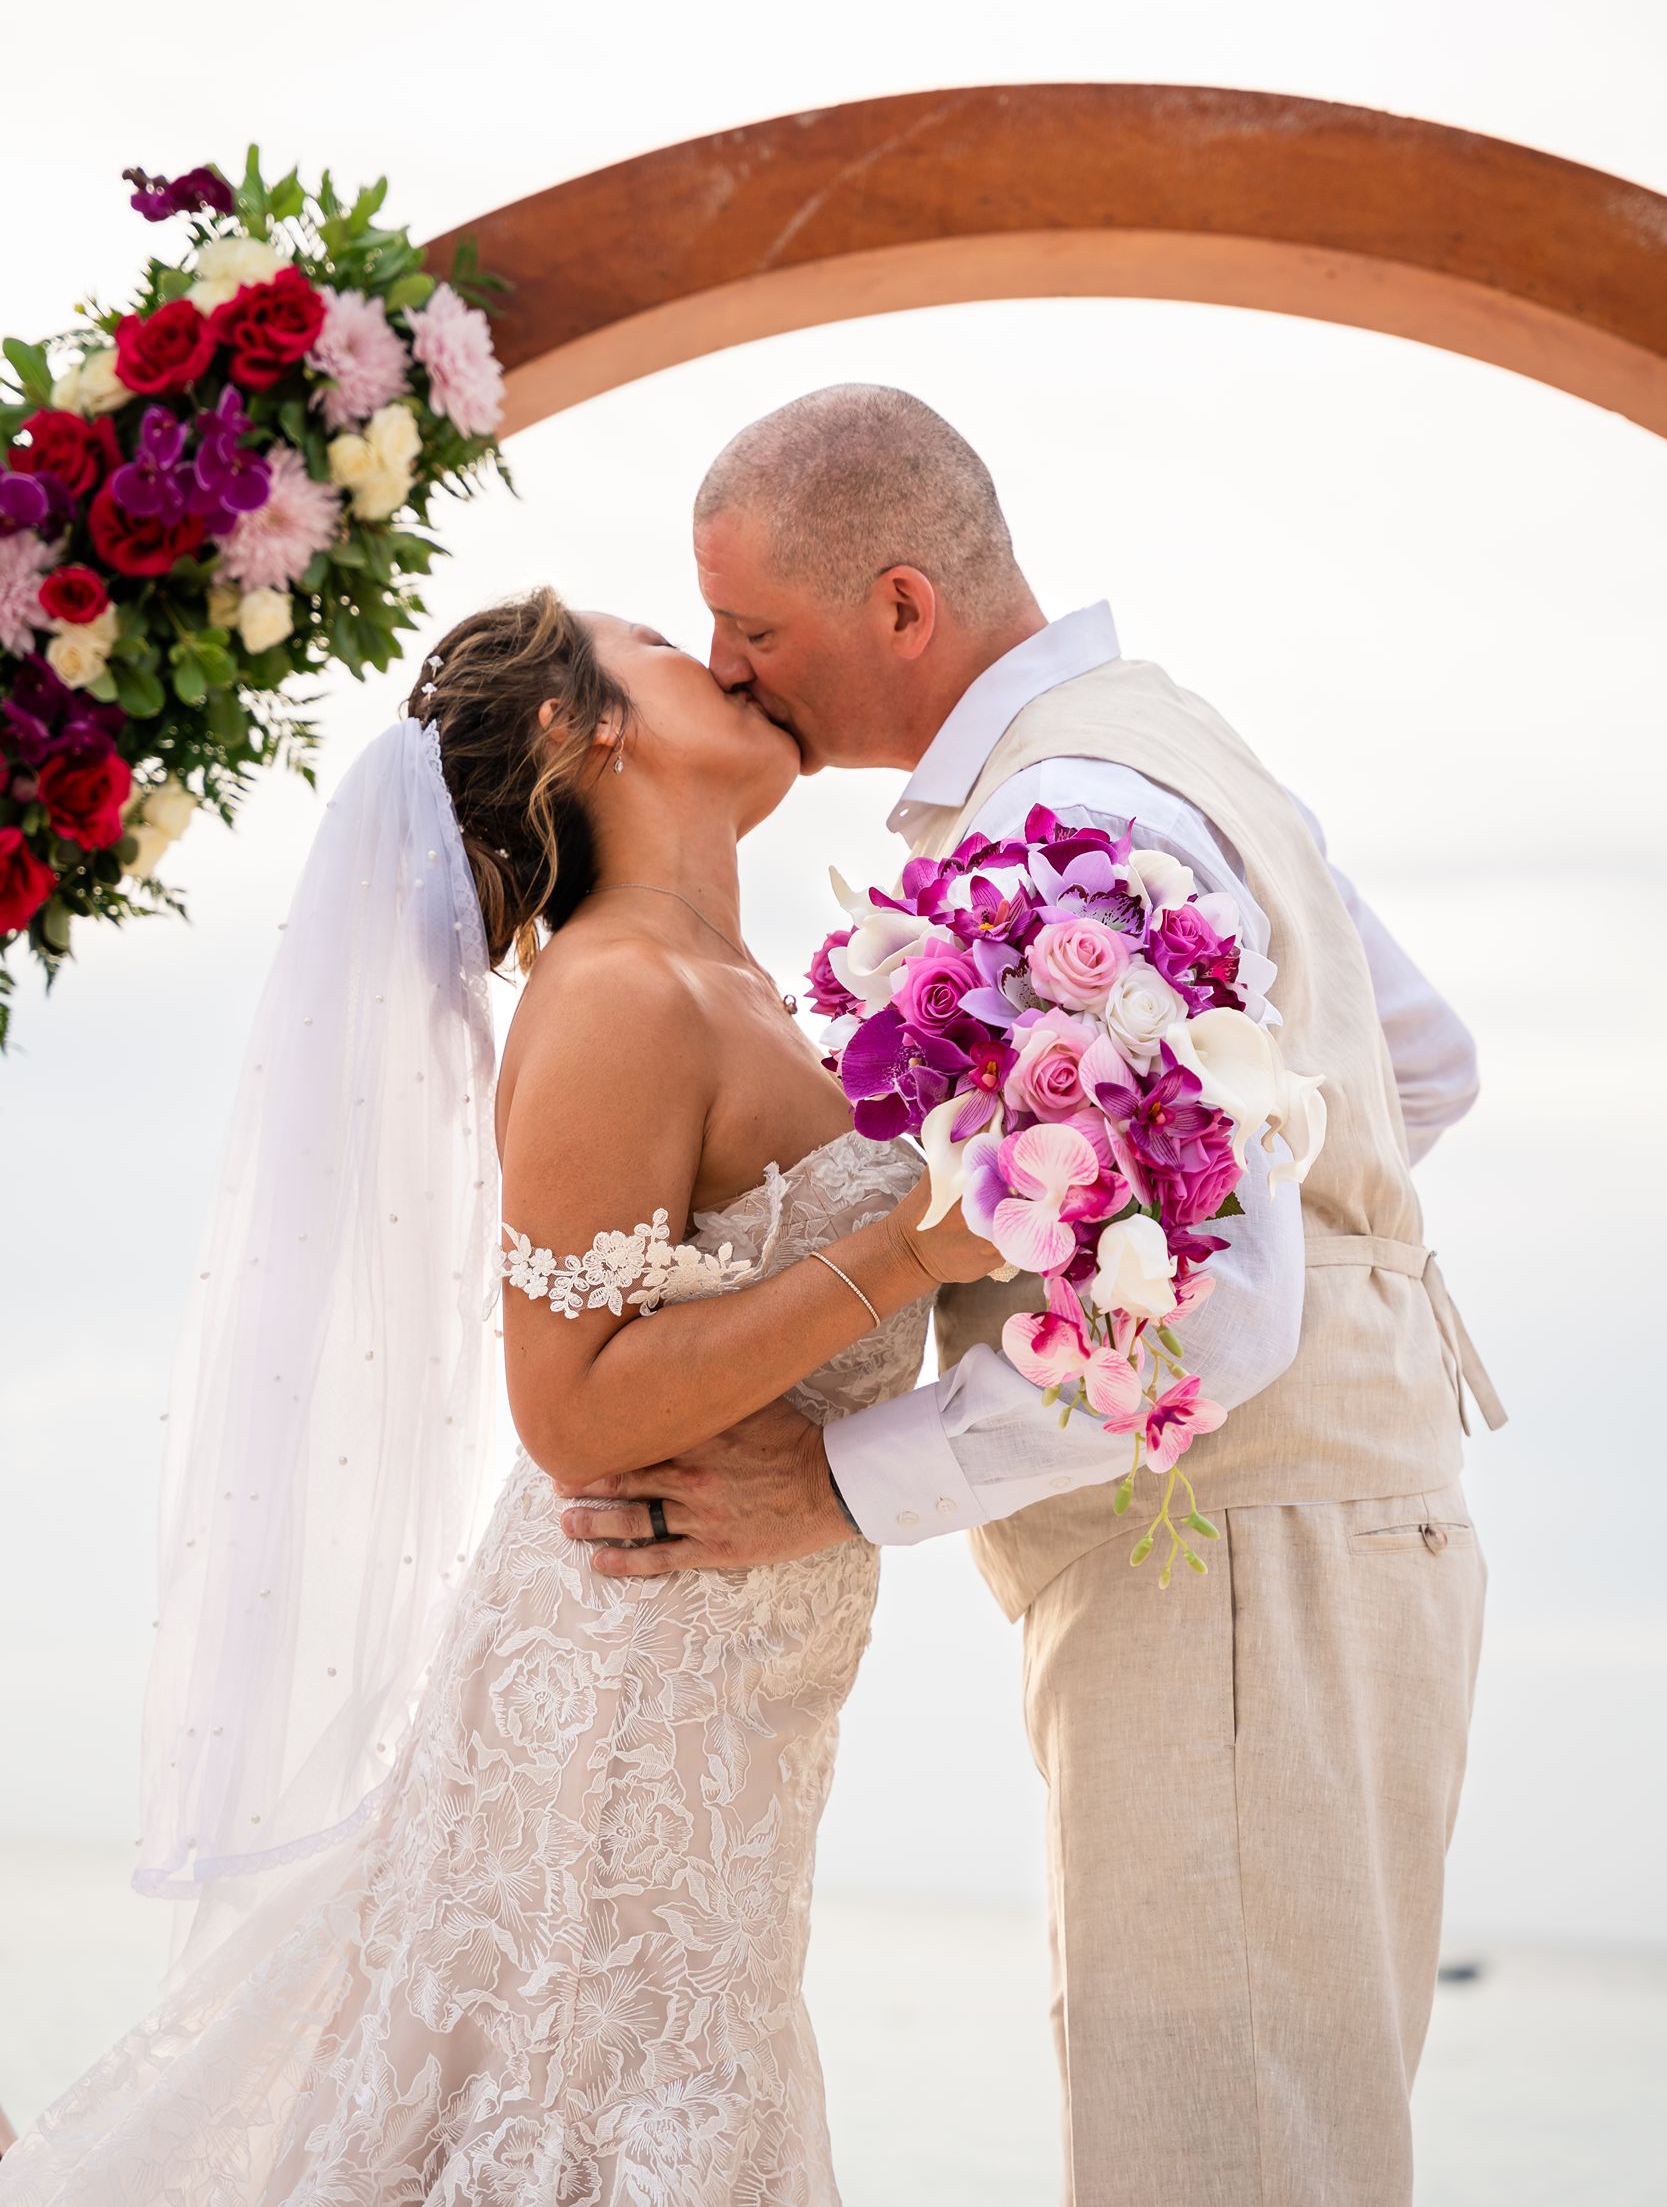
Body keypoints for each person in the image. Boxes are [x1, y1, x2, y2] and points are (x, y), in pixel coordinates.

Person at [560, 384, 1505, 2207]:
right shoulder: (1156, 744)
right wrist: (1319, 1260)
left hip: (1238, 1567)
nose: (736, 673)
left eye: (757, 630)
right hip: (1342, 1539)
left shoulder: (1060, 821)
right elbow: (1420, 1068)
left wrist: (846, 1486)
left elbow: (1222, 1324)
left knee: (1214, 2153)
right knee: (1283, 2130)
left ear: (902, 608)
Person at [0, 586, 996, 2206]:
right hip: (617, 1701)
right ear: (578, 724)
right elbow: (572, 1409)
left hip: (729, 1706)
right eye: (672, 642)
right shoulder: (616, 992)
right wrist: (906, 1255)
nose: (726, 657)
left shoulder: (746, 986)